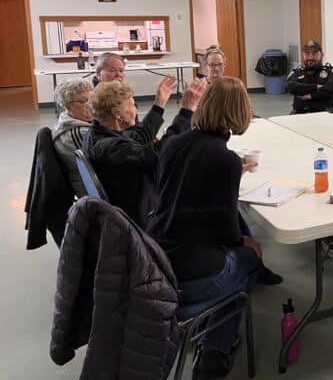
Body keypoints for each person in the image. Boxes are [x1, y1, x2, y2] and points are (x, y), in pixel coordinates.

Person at [147, 77, 282, 379]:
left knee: (243, 245)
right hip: (191, 274)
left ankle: (215, 336)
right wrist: (247, 245)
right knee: (249, 260)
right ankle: (216, 346)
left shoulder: (172, 143)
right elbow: (225, 232)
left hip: (155, 258)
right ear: (240, 112)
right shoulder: (225, 159)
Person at [83, 75, 207, 226]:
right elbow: (162, 154)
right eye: (133, 105)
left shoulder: (99, 132)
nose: (136, 110)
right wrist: (186, 112)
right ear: (118, 114)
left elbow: (138, 137)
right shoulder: (109, 147)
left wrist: (159, 103)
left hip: (133, 201)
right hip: (142, 216)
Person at [52, 79, 94, 196]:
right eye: (83, 102)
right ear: (67, 106)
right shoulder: (77, 133)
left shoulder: (75, 121)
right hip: (93, 190)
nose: (90, 105)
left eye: (92, 99)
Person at [285, 40, 333, 114]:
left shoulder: (330, 72)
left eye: (314, 53)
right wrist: (316, 87)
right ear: (303, 55)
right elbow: (292, 87)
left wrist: (311, 95)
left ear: (321, 55)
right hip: (302, 113)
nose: (310, 57)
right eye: (307, 53)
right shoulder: (297, 73)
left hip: (327, 112)